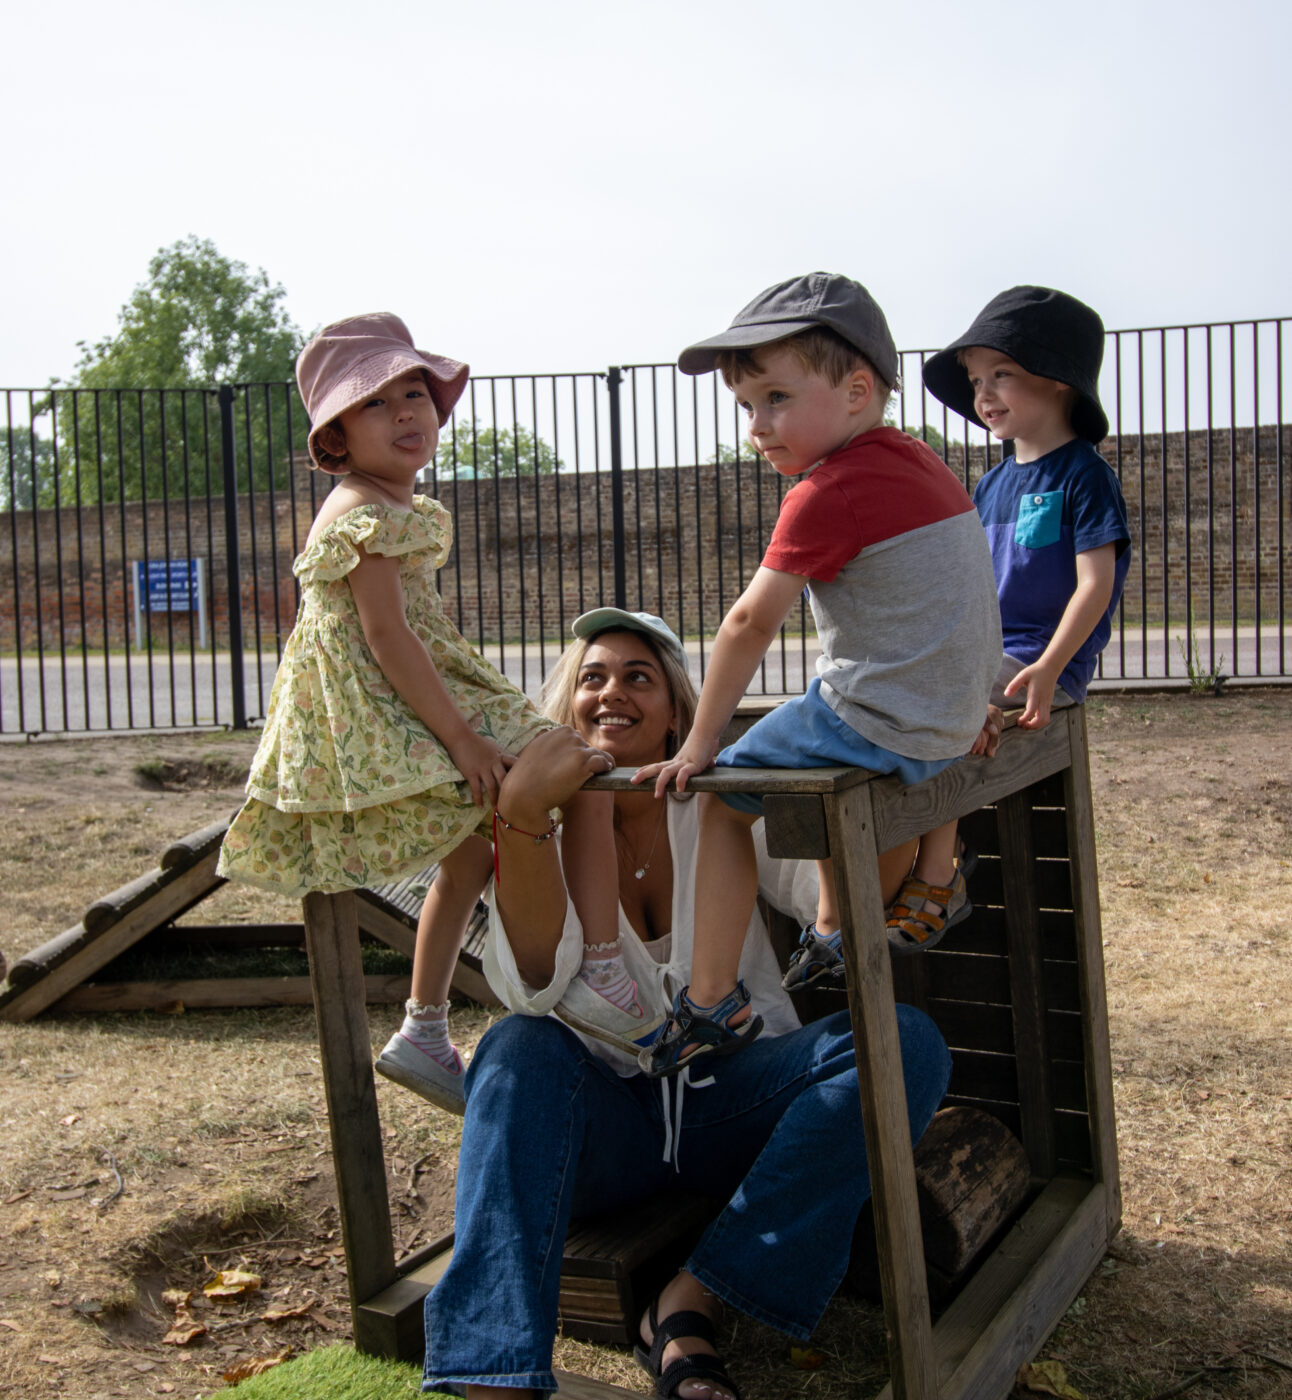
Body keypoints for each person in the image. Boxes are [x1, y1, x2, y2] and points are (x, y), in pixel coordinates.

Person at [422, 609, 952, 1400]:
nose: (613, 694)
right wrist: (522, 818)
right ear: (568, 704)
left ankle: (692, 1299)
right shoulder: (540, 817)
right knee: (512, 1047)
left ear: (677, 710)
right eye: (594, 677)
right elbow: (533, 974)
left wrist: (897, 754)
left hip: (733, 1107)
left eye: (640, 678)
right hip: (605, 1127)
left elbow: (844, 905)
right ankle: (492, 1376)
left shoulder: (719, 802)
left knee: (903, 1044)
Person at [216, 313, 623, 1115]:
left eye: (415, 393)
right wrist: (464, 737)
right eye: (375, 403)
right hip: (384, 705)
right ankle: (596, 964)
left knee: (475, 849)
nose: (406, 412)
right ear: (334, 435)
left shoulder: (383, 503)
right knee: (560, 763)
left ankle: (426, 1025)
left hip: (402, 691)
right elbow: (386, 636)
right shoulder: (361, 512)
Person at [635, 273, 1001, 1077]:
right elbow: (973, 590)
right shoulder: (922, 463)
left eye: (775, 399)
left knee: (727, 799)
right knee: (821, 768)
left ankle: (710, 997)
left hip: (880, 715)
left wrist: (699, 744)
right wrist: (974, 696)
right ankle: (837, 922)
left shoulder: (826, 490)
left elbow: (748, 622)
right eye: (747, 408)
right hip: (944, 717)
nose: (758, 427)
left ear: (857, 389)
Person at [922, 285, 1132, 728]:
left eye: (1001, 374)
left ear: (1057, 376)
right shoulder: (991, 485)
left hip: (1039, 663)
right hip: (986, 657)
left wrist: (1052, 664)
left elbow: (1095, 586)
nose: (983, 394)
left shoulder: (1085, 476)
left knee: (918, 694)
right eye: (977, 381)